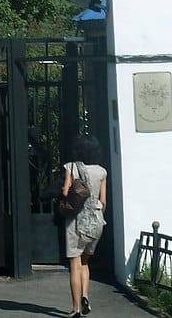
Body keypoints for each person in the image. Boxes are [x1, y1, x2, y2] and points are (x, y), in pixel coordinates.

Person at [61, 134, 107, 318]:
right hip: (96, 220)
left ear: (78, 150)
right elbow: (103, 201)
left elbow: (65, 192)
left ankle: (76, 308)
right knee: (85, 262)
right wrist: (97, 217)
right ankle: (85, 296)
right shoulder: (102, 171)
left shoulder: (71, 167)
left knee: (75, 264)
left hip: (75, 221)